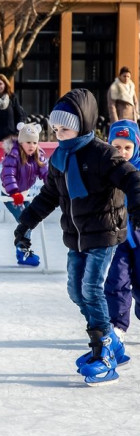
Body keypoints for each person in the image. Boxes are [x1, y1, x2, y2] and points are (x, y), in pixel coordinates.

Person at [14, 88, 140, 386]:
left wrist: (137, 207)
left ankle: (103, 355)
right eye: (55, 129)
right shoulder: (60, 158)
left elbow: (132, 179)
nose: (59, 134)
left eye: (65, 128)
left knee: (92, 289)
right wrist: (24, 224)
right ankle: (110, 340)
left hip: (105, 233)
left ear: (82, 123)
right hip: (77, 237)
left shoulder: (102, 153)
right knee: (75, 290)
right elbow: (48, 197)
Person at [104, 119, 140, 342]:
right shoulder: (105, 172)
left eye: (128, 147)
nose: (123, 152)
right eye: (116, 147)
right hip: (117, 238)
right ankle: (117, 325)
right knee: (117, 281)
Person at [0, 122, 48, 266]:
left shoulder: (38, 156)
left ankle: (23, 250)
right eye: (28, 142)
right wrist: (14, 192)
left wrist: (54, 186)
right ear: (21, 142)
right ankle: (22, 250)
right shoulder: (13, 155)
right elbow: (8, 175)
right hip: (10, 195)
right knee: (24, 220)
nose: (32, 145)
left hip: (24, 194)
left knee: (30, 220)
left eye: (34, 142)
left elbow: (46, 173)